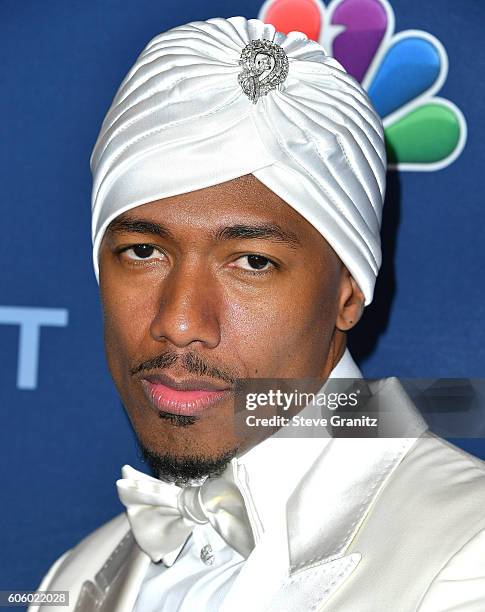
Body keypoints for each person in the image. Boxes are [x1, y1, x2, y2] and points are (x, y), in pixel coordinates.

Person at [30, 16, 485, 612]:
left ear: (349, 291)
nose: (181, 321)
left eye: (251, 261)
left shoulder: (467, 552)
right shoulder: (76, 576)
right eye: (144, 251)